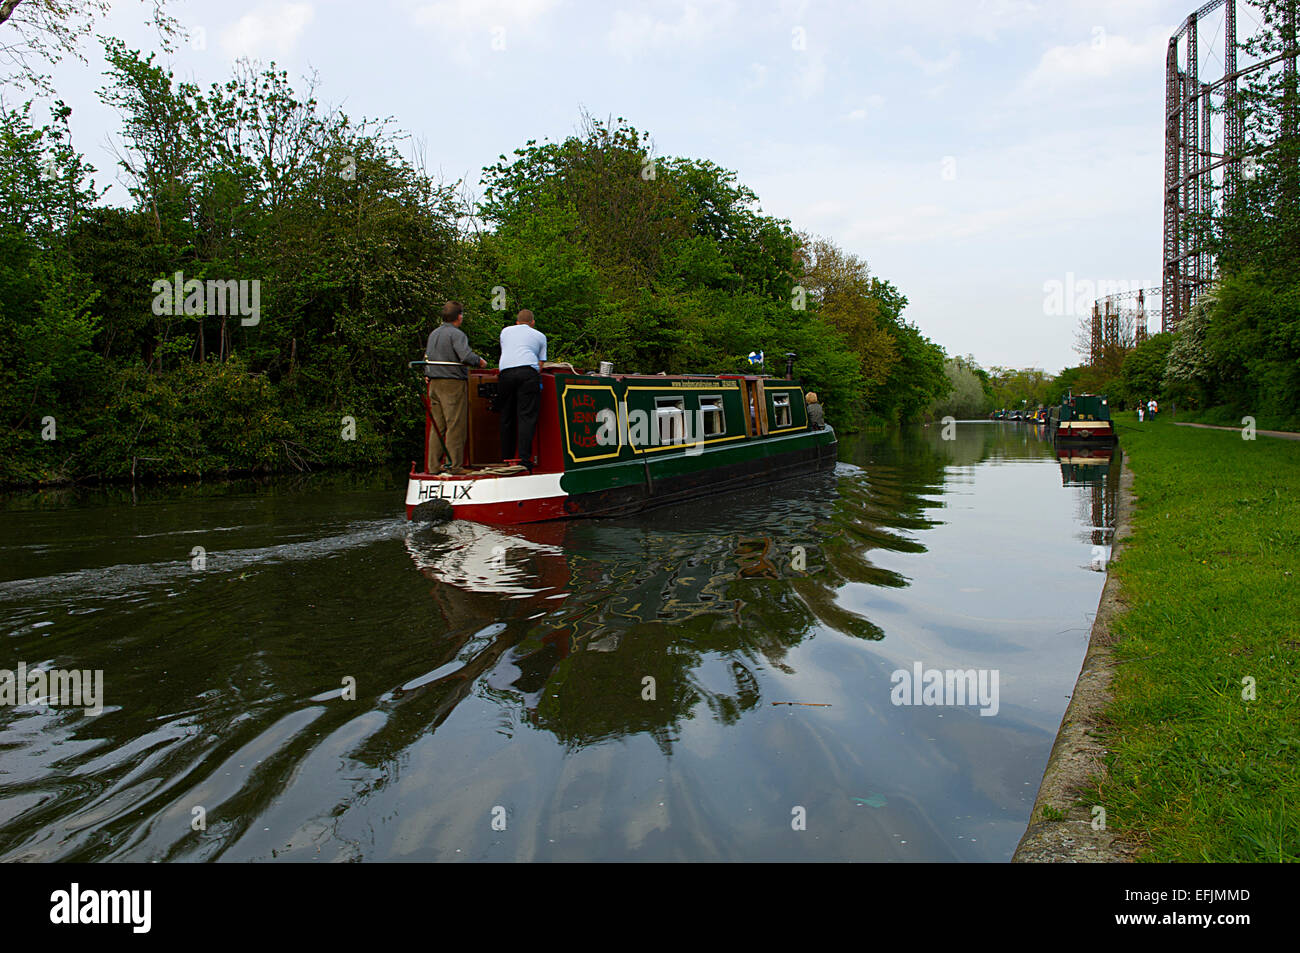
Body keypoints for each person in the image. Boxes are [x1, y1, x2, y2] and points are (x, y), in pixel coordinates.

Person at [424, 301, 486, 473]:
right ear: (459, 317)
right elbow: (465, 355)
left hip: (434, 384)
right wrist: (479, 361)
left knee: (438, 426)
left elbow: (428, 357)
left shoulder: (433, 334)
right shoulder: (457, 335)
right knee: (455, 424)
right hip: (452, 383)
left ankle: (433, 466)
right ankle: (456, 466)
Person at [497, 309, 547, 470]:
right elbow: (540, 364)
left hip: (505, 374)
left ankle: (506, 457)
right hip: (528, 373)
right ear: (533, 323)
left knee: (506, 416)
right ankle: (525, 459)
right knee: (526, 417)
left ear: (516, 322)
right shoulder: (540, 336)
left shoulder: (505, 332)